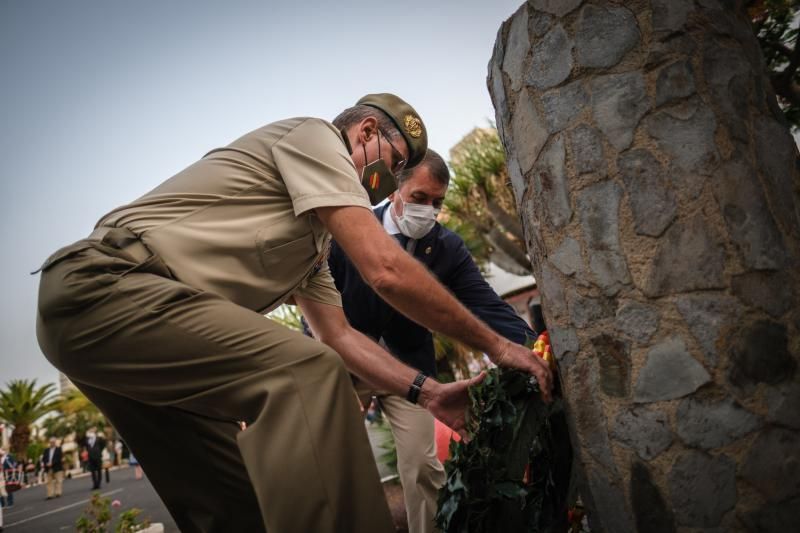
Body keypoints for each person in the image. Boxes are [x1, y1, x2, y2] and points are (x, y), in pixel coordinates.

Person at [35, 93, 552, 533]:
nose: (391, 184)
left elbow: (342, 338)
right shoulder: (314, 137)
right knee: (307, 374)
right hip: (104, 286)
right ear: (366, 132)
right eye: (394, 166)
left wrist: (431, 392)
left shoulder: (312, 253)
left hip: (120, 336)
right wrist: (499, 347)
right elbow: (385, 270)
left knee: (236, 504)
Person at [326, 149, 536, 533]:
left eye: (437, 202)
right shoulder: (347, 233)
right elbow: (320, 308)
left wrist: (536, 346)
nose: (429, 210)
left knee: (423, 466)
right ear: (394, 191)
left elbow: (485, 305)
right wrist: (326, 372)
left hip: (411, 372)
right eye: (420, 198)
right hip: (346, 362)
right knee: (338, 471)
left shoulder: (447, 248)